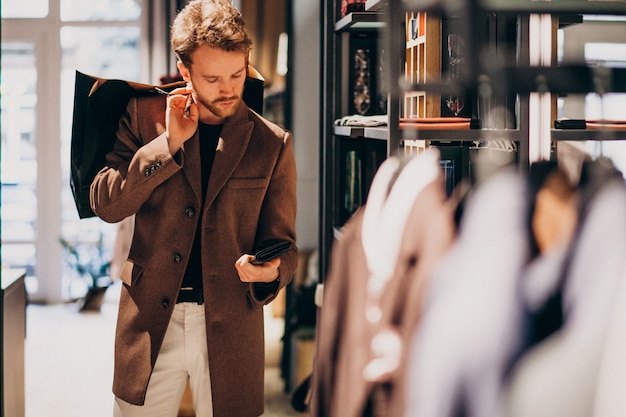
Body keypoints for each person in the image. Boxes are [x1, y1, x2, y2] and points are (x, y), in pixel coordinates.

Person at [89, 0, 298, 415]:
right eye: (213, 78)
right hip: (149, 323)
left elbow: (285, 246)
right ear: (185, 71)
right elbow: (107, 203)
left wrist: (271, 270)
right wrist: (166, 145)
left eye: (237, 75)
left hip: (231, 325)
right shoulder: (142, 116)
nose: (228, 89)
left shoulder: (272, 143)